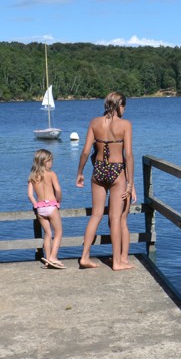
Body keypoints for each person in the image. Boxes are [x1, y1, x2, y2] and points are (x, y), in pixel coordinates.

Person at [75, 91, 135, 271]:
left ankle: (84, 257)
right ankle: (117, 262)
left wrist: (80, 172)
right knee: (115, 218)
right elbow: (128, 156)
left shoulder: (95, 122)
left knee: (96, 215)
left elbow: (86, 151)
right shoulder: (125, 125)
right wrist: (130, 183)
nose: (124, 110)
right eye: (124, 106)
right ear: (119, 106)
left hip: (99, 170)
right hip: (117, 172)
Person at [27, 148, 64, 269]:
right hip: (51, 206)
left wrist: (36, 205)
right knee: (58, 233)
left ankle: (48, 260)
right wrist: (58, 202)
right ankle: (53, 257)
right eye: (50, 160)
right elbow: (58, 190)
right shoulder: (51, 174)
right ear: (44, 162)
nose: (52, 163)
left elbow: (30, 195)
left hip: (40, 209)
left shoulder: (32, 176)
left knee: (47, 234)